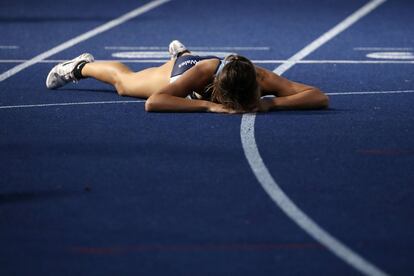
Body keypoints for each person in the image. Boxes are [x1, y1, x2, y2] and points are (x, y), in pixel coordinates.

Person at [46, 40, 328, 113]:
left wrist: (272, 104)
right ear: (222, 92)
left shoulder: (260, 77)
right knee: (125, 85)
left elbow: (318, 96)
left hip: (202, 74)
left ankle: (182, 51)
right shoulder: (207, 75)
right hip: (187, 72)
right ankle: (80, 66)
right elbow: (155, 102)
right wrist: (206, 105)